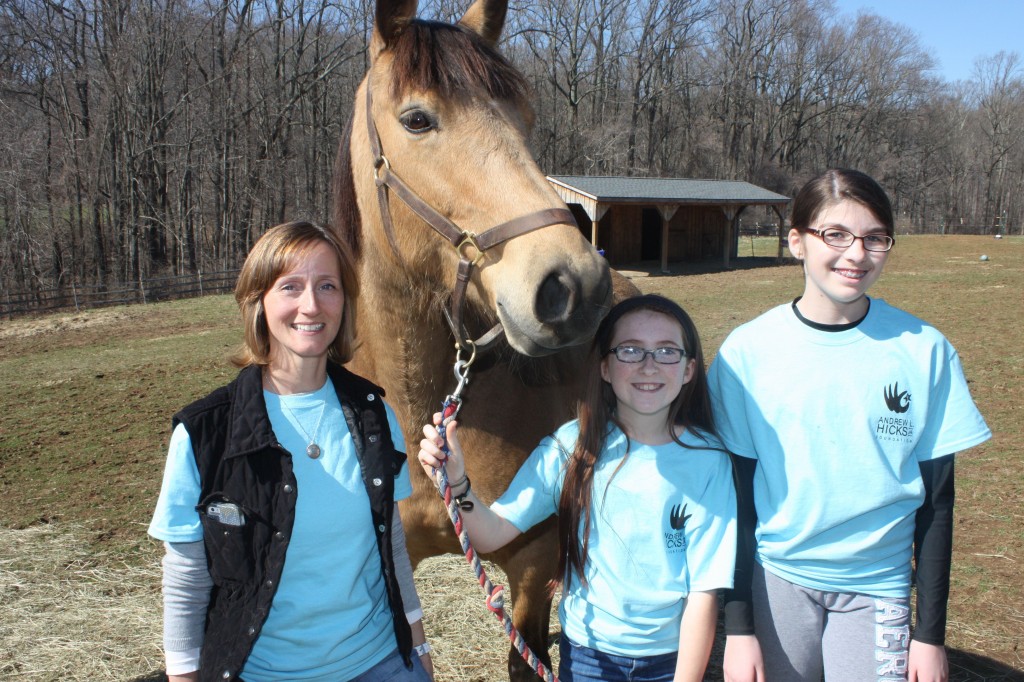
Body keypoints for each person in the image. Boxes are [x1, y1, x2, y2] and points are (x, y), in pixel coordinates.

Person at [709, 169, 992, 682]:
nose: (856, 254)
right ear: (796, 242)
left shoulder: (924, 350)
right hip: (777, 584)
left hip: (878, 587)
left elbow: (938, 504)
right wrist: (739, 627)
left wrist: (929, 637)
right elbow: (736, 501)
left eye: (874, 238)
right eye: (834, 235)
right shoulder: (746, 353)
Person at [148, 221, 434, 682]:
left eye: (327, 286)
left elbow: (392, 548)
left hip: (380, 662)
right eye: (290, 287)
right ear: (258, 301)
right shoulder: (205, 434)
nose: (311, 305)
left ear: (345, 301)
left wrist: (418, 646)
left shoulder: (374, 415)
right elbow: (186, 582)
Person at [418, 294, 736, 682]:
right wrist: (457, 482)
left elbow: (704, 593)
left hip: (671, 657)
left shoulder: (708, 461)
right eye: (631, 350)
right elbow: (491, 533)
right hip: (588, 657)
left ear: (689, 369)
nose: (648, 365)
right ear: (604, 367)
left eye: (666, 351)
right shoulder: (571, 447)